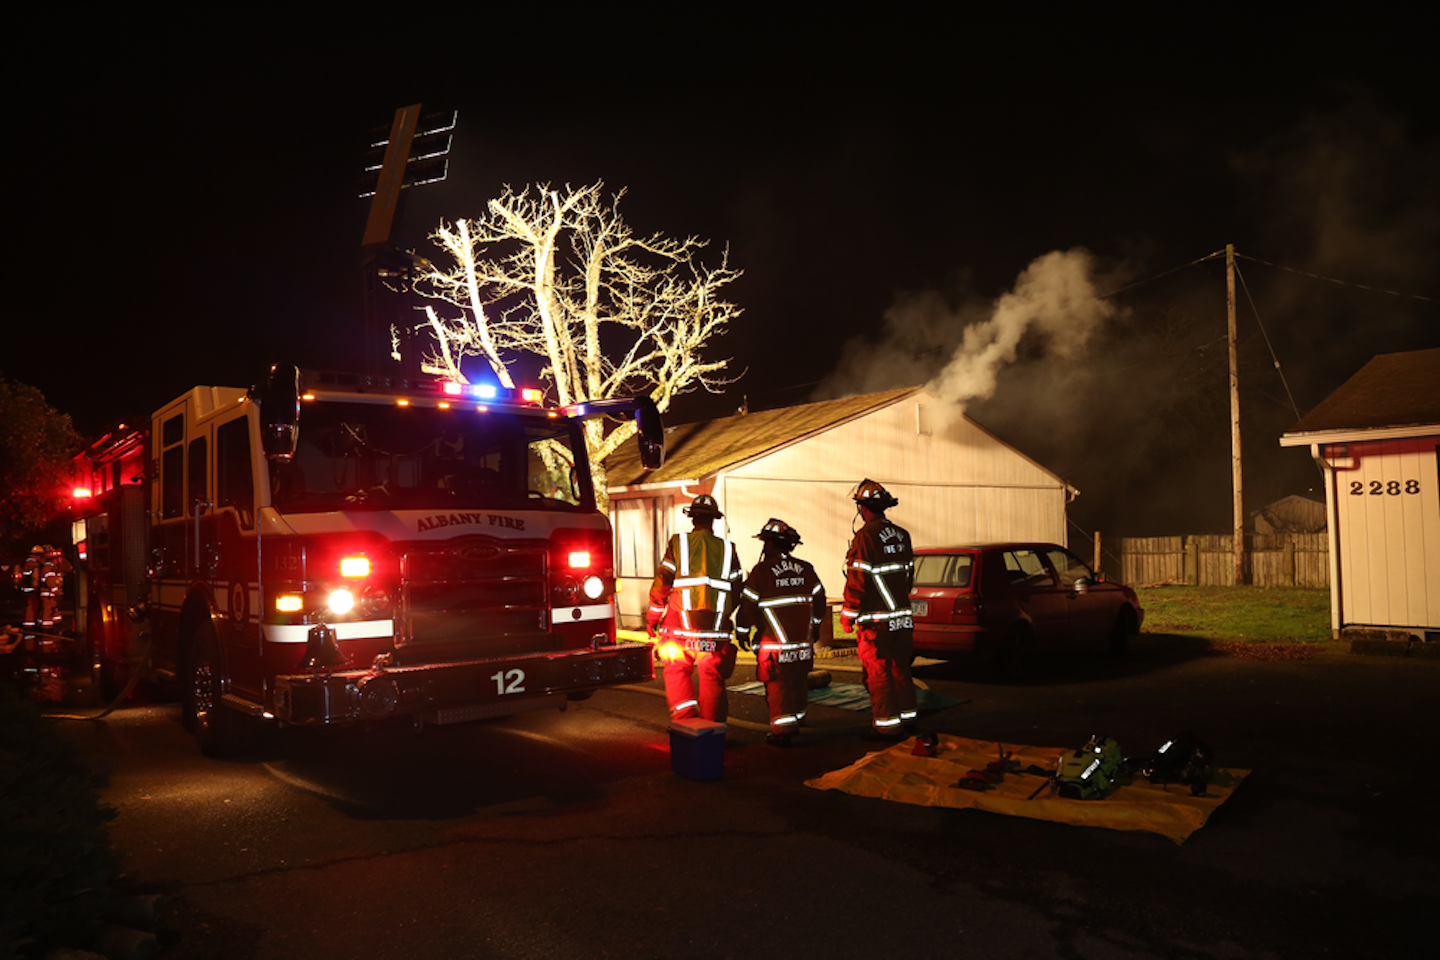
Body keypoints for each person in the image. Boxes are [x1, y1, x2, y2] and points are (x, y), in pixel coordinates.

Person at [646, 494, 744, 722]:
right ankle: (713, 730)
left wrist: (652, 618)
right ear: (714, 521)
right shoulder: (727, 549)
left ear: (692, 519)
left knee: (676, 670)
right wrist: (723, 616)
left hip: (678, 629)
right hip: (715, 630)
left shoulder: (678, 543)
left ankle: (686, 723)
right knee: (712, 677)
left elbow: (662, 584)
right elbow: (737, 590)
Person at [735, 519, 826, 746]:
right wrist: (814, 628)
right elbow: (820, 600)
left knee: (777, 684)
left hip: (775, 646)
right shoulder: (806, 569)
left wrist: (742, 631)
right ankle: (798, 719)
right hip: (802, 646)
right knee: (798, 681)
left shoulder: (762, 571)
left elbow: (747, 606)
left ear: (769, 544)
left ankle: (784, 730)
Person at [841, 479, 917, 738]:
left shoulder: (865, 537)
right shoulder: (903, 535)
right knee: (900, 669)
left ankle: (886, 725)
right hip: (901, 618)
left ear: (863, 508)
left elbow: (858, 581)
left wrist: (848, 615)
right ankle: (908, 718)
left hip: (876, 621)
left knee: (878, 671)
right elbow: (908, 577)